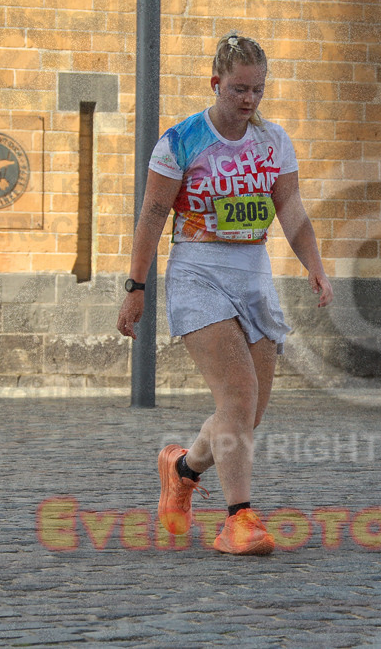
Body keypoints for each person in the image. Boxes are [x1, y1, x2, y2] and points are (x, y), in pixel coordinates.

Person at [117, 32, 333, 555]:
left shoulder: (273, 141)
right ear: (216, 83)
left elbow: (291, 211)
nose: (249, 99)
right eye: (239, 88)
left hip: (253, 277)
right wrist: (136, 287)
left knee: (247, 416)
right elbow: (152, 215)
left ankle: (183, 470)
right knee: (236, 396)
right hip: (198, 275)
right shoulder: (181, 141)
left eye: (258, 89)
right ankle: (239, 519)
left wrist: (316, 266)